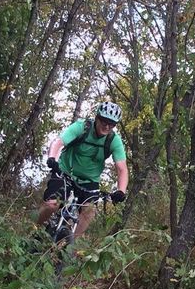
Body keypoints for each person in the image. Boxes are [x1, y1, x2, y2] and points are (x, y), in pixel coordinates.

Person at [35, 102, 128, 240]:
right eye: (104, 121)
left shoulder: (114, 140)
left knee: (89, 212)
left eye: (112, 124)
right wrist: (52, 158)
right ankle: (35, 230)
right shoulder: (82, 127)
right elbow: (59, 142)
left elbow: (122, 169)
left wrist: (121, 191)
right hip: (65, 172)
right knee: (52, 204)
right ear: (97, 118)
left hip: (90, 181)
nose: (107, 126)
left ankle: (71, 247)